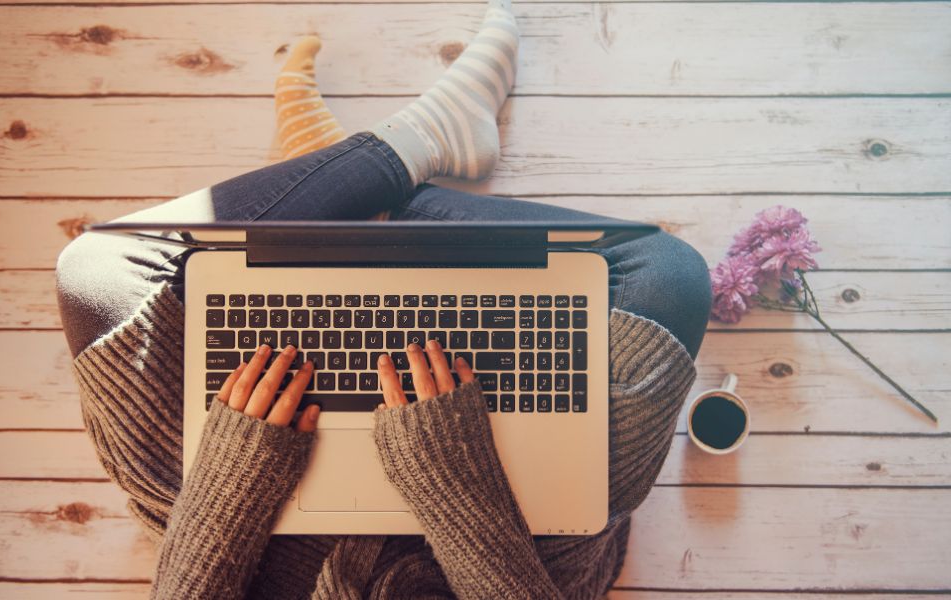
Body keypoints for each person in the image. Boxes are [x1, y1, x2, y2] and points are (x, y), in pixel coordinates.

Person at [55, 1, 712, 597]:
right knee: (668, 273)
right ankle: (385, 164)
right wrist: (456, 487)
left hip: (256, 543)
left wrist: (234, 483)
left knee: (100, 268)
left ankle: (388, 157)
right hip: (507, 542)